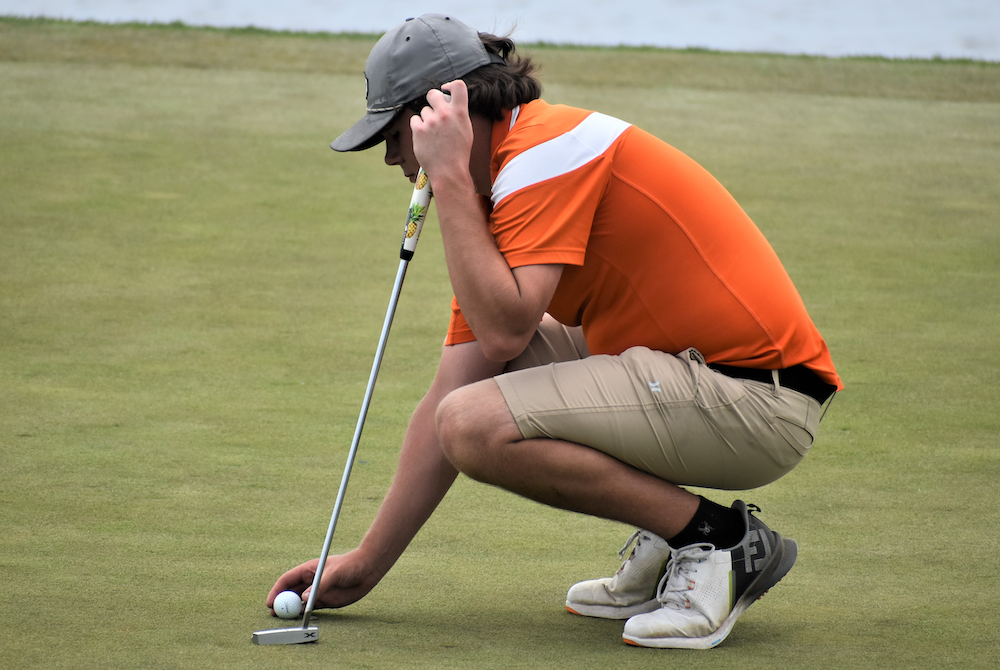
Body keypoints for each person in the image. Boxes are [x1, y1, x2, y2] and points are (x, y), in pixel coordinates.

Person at [267, 13, 841, 649]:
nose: (392, 154)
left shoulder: (544, 152)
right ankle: (673, 533)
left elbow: (506, 331)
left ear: (445, 109)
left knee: (473, 422)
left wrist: (451, 179)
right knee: (462, 402)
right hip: (690, 374)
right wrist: (365, 563)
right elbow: (458, 380)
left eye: (395, 130)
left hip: (760, 401)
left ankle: (717, 543)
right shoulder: (504, 182)